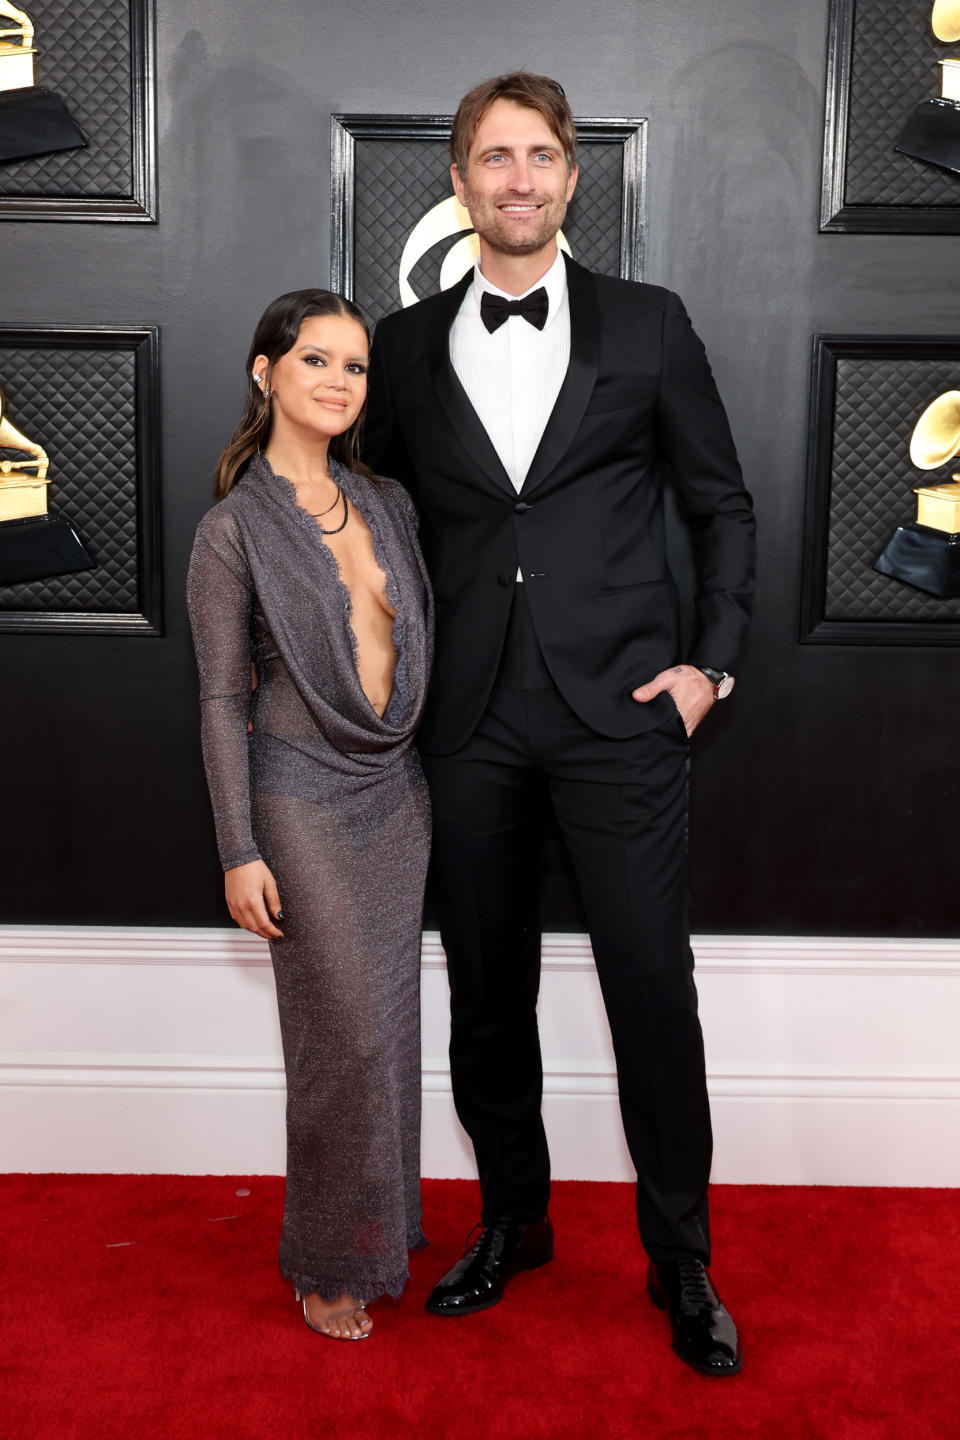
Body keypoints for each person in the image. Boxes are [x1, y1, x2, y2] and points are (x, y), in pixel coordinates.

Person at [363, 73, 755, 1375]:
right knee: (487, 992)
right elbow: (375, 528)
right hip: (464, 722)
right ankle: (514, 1225)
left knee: (652, 984)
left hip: (624, 718)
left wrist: (710, 666)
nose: (518, 179)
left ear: (572, 176)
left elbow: (723, 508)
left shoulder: (649, 325)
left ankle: (680, 1257)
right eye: (492, 158)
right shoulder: (404, 346)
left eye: (540, 157)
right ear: (462, 180)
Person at [186, 289, 433, 1341]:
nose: (337, 382)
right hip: (298, 798)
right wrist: (238, 848)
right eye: (316, 360)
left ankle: (384, 1229)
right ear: (264, 371)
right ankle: (327, 1260)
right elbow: (219, 697)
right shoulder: (232, 530)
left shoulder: (386, 504)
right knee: (346, 1041)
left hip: (397, 791)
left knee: (392, 1029)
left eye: (355, 366)